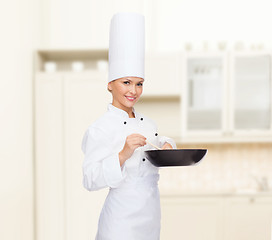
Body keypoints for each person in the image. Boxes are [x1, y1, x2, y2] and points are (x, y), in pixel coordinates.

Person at [81, 12, 177, 240]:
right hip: (120, 223)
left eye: (139, 84)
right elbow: (90, 179)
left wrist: (165, 146)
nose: (133, 91)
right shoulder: (100, 129)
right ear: (110, 84)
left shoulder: (149, 123)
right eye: (126, 83)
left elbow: (155, 148)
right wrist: (123, 154)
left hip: (151, 217)